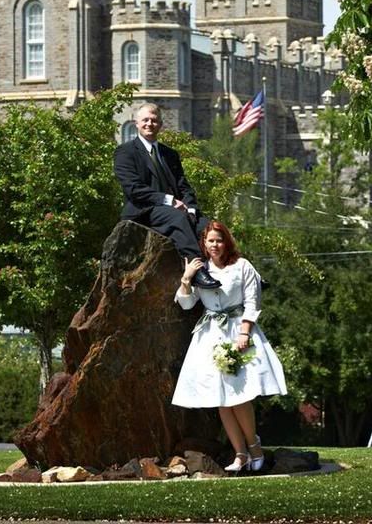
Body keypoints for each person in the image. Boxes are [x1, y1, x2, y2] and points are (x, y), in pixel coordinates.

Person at [172, 220, 287, 473]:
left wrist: (244, 333)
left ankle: (254, 445)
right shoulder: (201, 269)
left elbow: (252, 301)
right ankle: (240, 454)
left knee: (240, 395)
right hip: (210, 334)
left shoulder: (242, 266)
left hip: (237, 329)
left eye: (219, 240)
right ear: (204, 243)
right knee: (221, 398)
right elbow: (187, 305)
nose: (215, 245)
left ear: (227, 242)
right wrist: (187, 278)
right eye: (210, 240)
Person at [114, 103, 220, 289]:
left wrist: (192, 208)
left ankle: (236, 268)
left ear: (161, 124)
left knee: (209, 227)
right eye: (145, 120)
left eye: (154, 120)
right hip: (144, 210)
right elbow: (133, 189)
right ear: (137, 123)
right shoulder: (125, 152)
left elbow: (183, 185)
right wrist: (169, 200)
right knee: (178, 218)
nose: (149, 124)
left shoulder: (169, 154)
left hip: (174, 208)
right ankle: (196, 272)